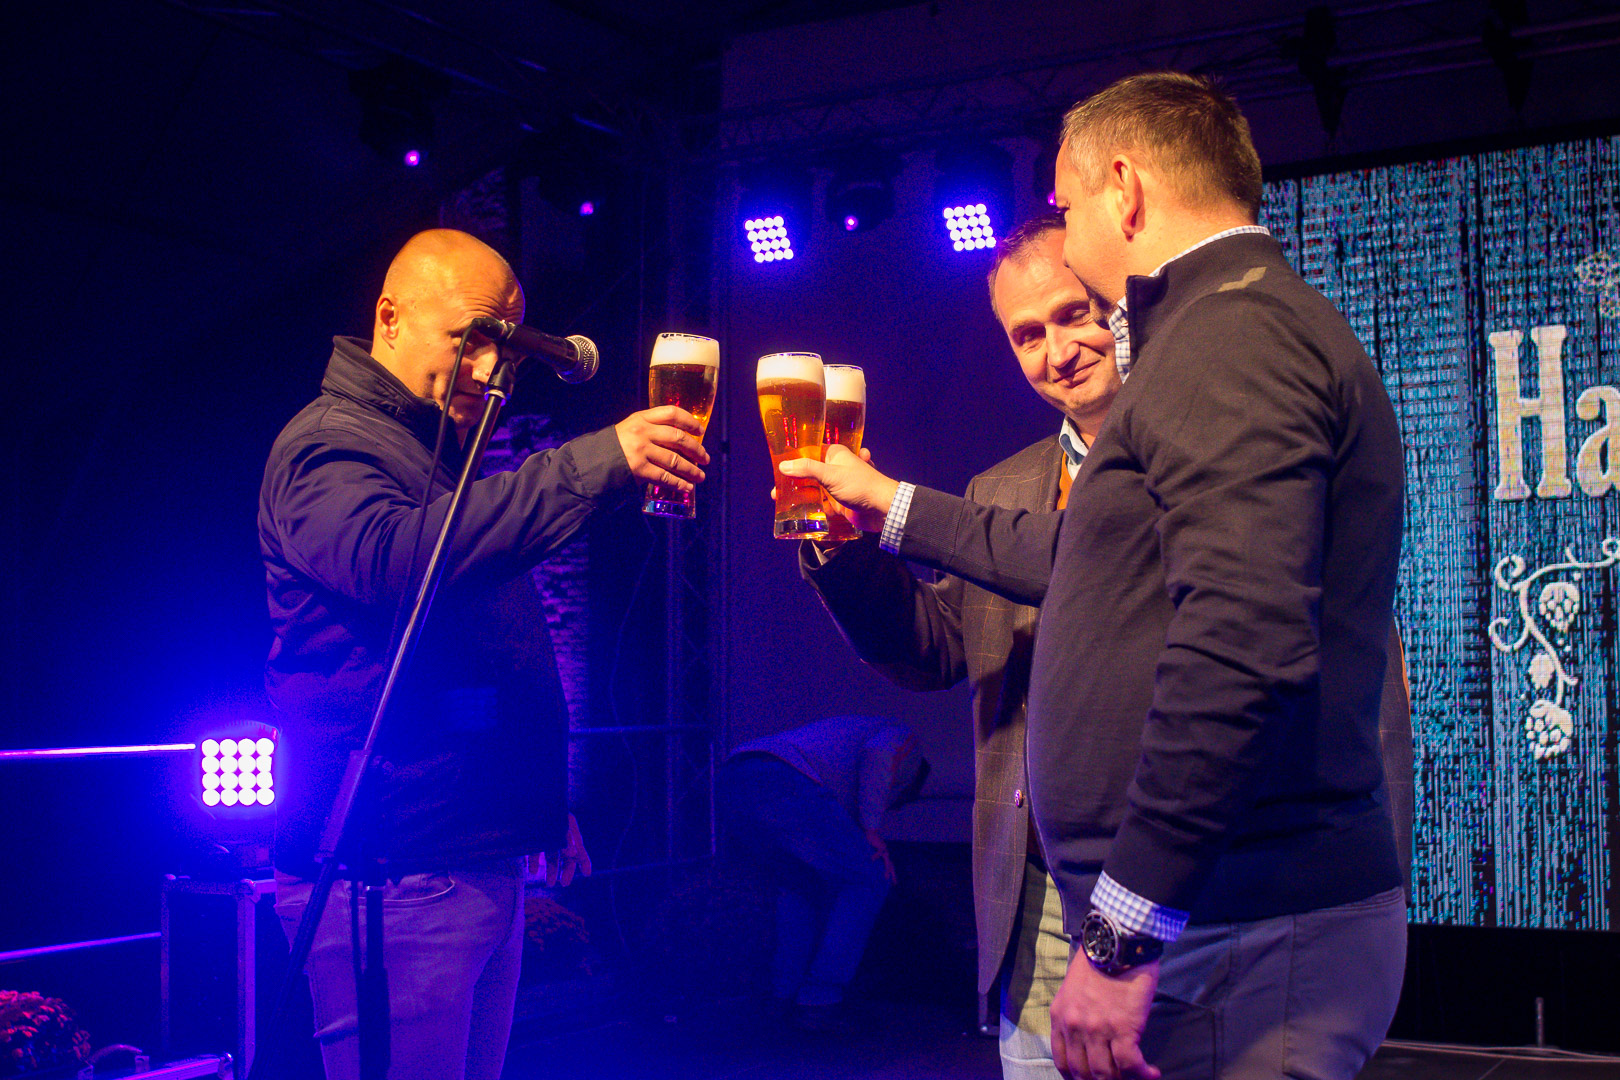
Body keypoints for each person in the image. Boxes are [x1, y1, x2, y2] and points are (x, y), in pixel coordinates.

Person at [784, 72, 1407, 1080]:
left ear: (1123, 187)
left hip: (1216, 909)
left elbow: (1238, 647)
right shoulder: (1213, 350)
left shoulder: (1226, 339)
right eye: (1023, 335)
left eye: (1068, 214)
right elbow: (1034, 588)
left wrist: (1122, 931)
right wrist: (864, 528)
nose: (1060, 342)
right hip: (1111, 913)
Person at [259, 228, 710, 1080]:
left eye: (505, 349)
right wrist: (593, 463)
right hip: (389, 872)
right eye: (470, 340)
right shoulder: (332, 443)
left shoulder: (430, 451)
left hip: (459, 855)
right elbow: (393, 562)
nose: (490, 369)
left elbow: (470, 664)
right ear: (390, 318)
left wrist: (532, 804)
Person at [799, 212, 1120, 1077]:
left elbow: (1092, 566)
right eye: (1027, 334)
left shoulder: (1198, 454)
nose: (1058, 351)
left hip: (1170, 888)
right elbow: (939, 646)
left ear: (1120, 303)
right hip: (1037, 889)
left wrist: (896, 500)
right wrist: (844, 550)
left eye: (1074, 314)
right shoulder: (1002, 485)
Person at [717, 715, 928, 1031]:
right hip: (782, 778)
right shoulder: (904, 740)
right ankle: (820, 1000)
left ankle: (782, 996)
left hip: (734, 777)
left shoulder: (840, 758)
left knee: (799, 887)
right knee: (871, 877)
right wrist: (872, 828)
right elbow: (879, 753)